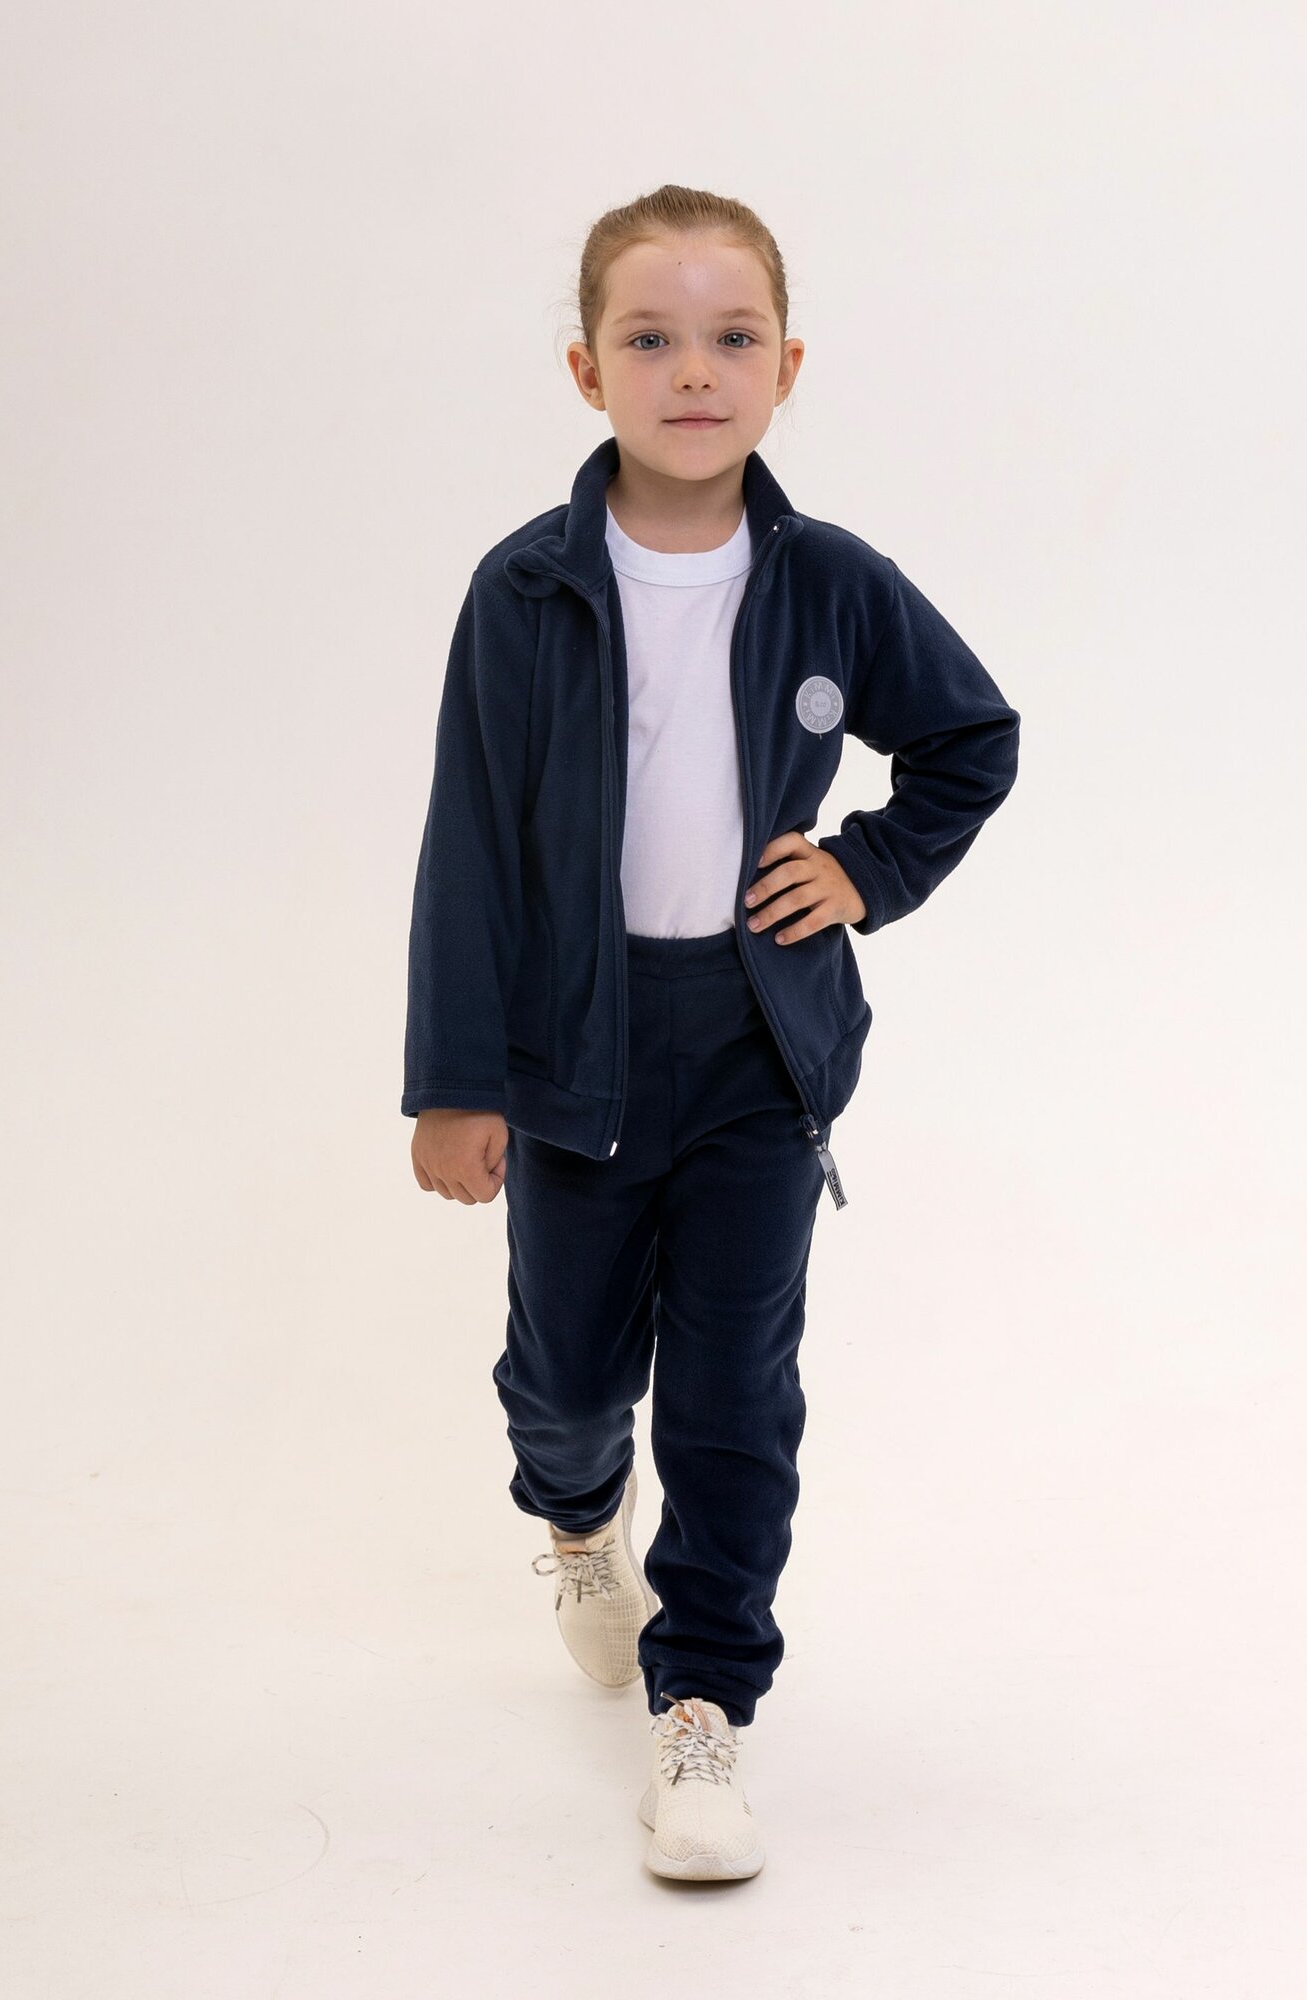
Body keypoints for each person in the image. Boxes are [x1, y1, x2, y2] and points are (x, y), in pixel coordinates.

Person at [402, 182, 1021, 1882]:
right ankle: (575, 1517)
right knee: (571, 1376)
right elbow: (469, 845)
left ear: (786, 367)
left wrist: (866, 869)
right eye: (651, 338)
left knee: (738, 1389)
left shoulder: (829, 582)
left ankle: (703, 1706)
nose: (695, 371)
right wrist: (457, 1081)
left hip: (757, 1052)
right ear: (587, 371)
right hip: (574, 1053)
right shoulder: (525, 590)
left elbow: (969, 740)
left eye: (733, 337)